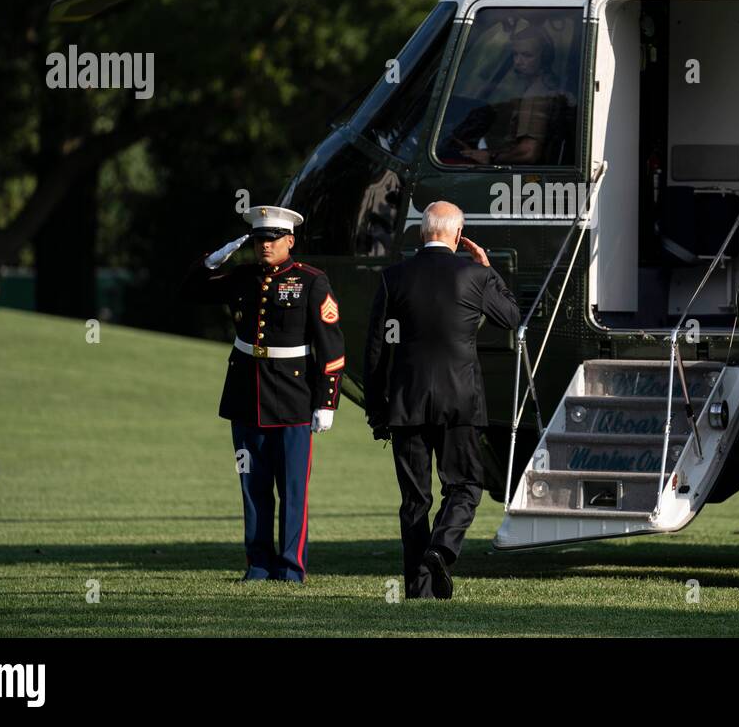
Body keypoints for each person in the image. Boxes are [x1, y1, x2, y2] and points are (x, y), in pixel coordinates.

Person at [363, 200, 520, 598]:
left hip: (406, 401)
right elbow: (512, 318)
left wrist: (377, 408)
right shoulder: (474, 274)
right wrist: (487, 269)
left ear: (422, 232)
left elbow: (375, 349)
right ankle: (443, 547)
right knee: (466, 485)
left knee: (414, 499)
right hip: (460, 401)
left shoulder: (393, 277)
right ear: (457, 234)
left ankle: (420, 590)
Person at [182, 205, 345, 583]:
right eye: (258, 239)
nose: (264, 245)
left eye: (272, 238)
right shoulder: (241, 277)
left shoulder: (311, 281)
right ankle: (258, 564)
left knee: (291, 488)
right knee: (252, 485)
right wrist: (212, 260)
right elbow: (188, 292)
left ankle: (290, 567)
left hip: (293, 396)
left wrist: (327, 400)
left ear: (290, 240)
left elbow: (332, 346)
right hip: (245, 394)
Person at [446, 25, 572, 166]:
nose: (518, 61)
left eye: (527, 55)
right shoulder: (548, 86)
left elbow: (529, 153)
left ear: (545, 57)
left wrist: (490, 157)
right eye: (515, 54)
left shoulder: (535, 95)